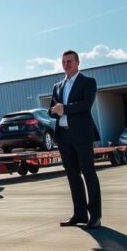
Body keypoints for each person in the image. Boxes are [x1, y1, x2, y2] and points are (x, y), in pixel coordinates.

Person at [49, 50, 102, 228]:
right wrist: (54, 111)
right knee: (72, 176)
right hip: (64, 136)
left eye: (69, 61)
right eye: (63, 61)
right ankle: (80, 215)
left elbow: (86, 105)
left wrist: (64, 108)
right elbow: (52, 109)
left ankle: (95, 216)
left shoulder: (88, 82)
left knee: (89, 174)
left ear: (78, 62)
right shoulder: (57, 86)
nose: (66, 64)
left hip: (82, 135)